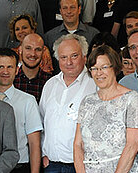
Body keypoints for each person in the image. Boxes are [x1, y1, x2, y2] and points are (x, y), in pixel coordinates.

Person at [73, 45, 138, 172]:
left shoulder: (132, 100)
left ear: (115, 67)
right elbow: (78, 145)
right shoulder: (87, 102)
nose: (99, 73)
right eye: (94, 68)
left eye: (104, 67)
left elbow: (132, 146)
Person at [39, 34, 97, 172]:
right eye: (63, 57)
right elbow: (41, 122)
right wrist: (44, 154)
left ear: (85, 56)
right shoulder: (50, 84)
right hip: (52, 164)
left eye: (74, 56)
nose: (68, 62)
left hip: (82, 166)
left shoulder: (95, 83)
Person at [0, 48, 43, 173]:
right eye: (0, 67)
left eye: (10, 67)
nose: (5, 71)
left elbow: (34, 144)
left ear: (17, 70)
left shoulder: (28, 101)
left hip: (19, 166)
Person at [44, 0, 99, 74]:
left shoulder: (93, 34)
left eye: (72, 7)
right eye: (65, 8)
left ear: (79, 9)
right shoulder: (49, 37)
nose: (69, 11)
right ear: (60, 11)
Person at [13, 34, 53, 103]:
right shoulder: (11, 79)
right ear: (20, 50)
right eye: (28, 48)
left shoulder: (51, 82)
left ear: (43, 52)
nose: (33, 54)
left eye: (38, 49)